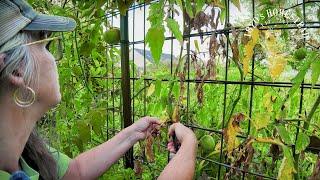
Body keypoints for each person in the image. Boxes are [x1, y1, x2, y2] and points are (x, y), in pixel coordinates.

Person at [0, 0, 198, 179]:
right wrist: (189, 144)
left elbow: (75, 172)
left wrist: (132, 134)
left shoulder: (24, 153)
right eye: (44, 45)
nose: (54, 59)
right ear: (17, 71)